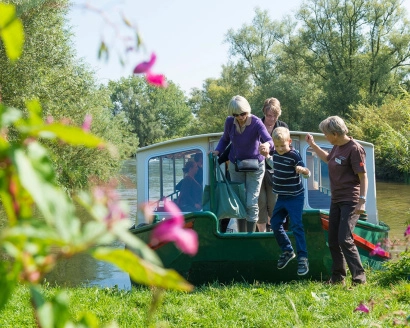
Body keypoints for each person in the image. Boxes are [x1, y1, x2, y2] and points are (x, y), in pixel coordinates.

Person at [305, 116, 367, 285]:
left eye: (326, 134)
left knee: (344, 238)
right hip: (337, 200)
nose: (325, 136)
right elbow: (327, 159)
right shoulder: (337, 147)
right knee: (332, 239)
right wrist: (313, 145)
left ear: (334, 133)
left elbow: (363, 177)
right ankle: (338, 277)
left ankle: (359, 279)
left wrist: (362, 201)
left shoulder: (354, 149)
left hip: (351, 200)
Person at [211, 95, 273, 233]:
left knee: (251, 202)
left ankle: (250, 236)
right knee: (238, 201)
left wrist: (267, 146)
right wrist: (217, 151)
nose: (240, 117)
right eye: (236, 114)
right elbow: (225, 139)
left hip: (255, 166)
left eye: (243, 113)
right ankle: (241, 234)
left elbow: (270, 140)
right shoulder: (229, 122)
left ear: (247, 110)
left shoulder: (256, 122)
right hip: (235, 165)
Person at [261, 127, 310, 276]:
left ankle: (303, 257)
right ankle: (288, 250)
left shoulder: (294, 155)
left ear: (289, 142)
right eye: (277, 146)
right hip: (281, 197)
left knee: (296, 225)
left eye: (283, 146)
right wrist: (267, 155)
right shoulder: (276, 153)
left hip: (295, 197)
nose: (281, 149)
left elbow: (307, 173)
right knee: (275, 224)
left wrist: (303, 170)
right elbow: (274, 164)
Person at [257, 97, 289, 233]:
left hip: (275, 170)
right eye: (269, 115)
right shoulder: (256, 124)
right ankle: (262, 234)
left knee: (274, 202)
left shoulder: (282, 126)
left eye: (274, 116)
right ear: (264, 112)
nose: (271, 119)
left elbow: (287, 148)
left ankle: (274, 232)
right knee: (260, 202)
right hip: (257, 168)